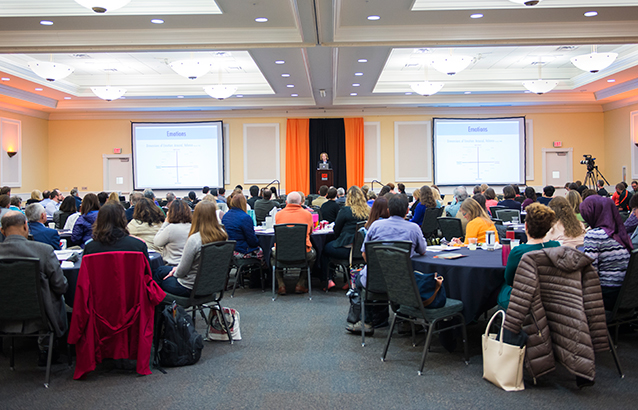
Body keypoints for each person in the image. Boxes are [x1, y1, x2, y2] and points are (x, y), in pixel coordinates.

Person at [348, 194, 426, 335]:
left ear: (388, 210)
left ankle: (367, 321)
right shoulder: (413, 228)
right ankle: (405, 321)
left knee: (360, 278)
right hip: (403, 282)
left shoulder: (376, 226)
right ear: (407, 210)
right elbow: (422, 250)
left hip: (374, 282)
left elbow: (365, 254)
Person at [0, 211, 68, 365]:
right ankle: (48, 349)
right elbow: (60, 286)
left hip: (4, 315)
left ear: (2, 231)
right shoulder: (44, 251)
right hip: (41, 317)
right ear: (26, 226)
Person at [154, 201, 228, 297]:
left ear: (196, 216)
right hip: (213, 285)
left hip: (190, 288)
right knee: (162, 270)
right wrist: (176, 269)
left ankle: (161, 309)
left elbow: (182, 272)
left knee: (160, 277)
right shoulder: (223, 235)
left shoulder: (195, 239)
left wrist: (175, 272)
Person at [497, 203, 560, 310]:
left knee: (501, 287)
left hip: (523, 298)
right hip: (550, 295)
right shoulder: (556, 246)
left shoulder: (518, 252)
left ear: (525, 226)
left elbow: (509, 280)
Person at [581, 195, 633, 310]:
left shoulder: (594, 235)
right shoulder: (621, 233)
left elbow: (590, 272)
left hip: (608, 296)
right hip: (628, 295)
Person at [322, 186, 370, 290]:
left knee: (325, 249)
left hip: (346, 249)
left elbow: (337, 230)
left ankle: (329, 279)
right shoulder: (368, 211)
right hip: (362, 250)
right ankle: (350, 279)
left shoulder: (346, 210)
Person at [273, 191, 316, 295]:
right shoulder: (307, 215)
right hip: (303, 252)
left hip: (281, 252)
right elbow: (310, 231)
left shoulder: (278, 215)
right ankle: (301, 283)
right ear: (301, 203)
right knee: (313, 255)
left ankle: (281, 285)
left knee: (272, 257)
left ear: (286, 202)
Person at [83, 202, 150, 264]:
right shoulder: (138, 246)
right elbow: (148, 274)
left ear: (99, 221)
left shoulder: (90, 248)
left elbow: (85, 274)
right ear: (123, 220)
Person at [223, 194, 265, 283]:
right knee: (264, 252)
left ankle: (249, 276)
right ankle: (257, 280)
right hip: (241, 251)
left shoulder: (225, 216)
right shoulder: (245, 217)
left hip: (228, 251)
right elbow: (252, 241)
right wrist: (259, 243)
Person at [154, 199, 192, 267]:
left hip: (171, 266)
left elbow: (156, 242)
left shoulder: (170, 229)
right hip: (188, 266)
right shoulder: (192, 227)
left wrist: (166, 222)